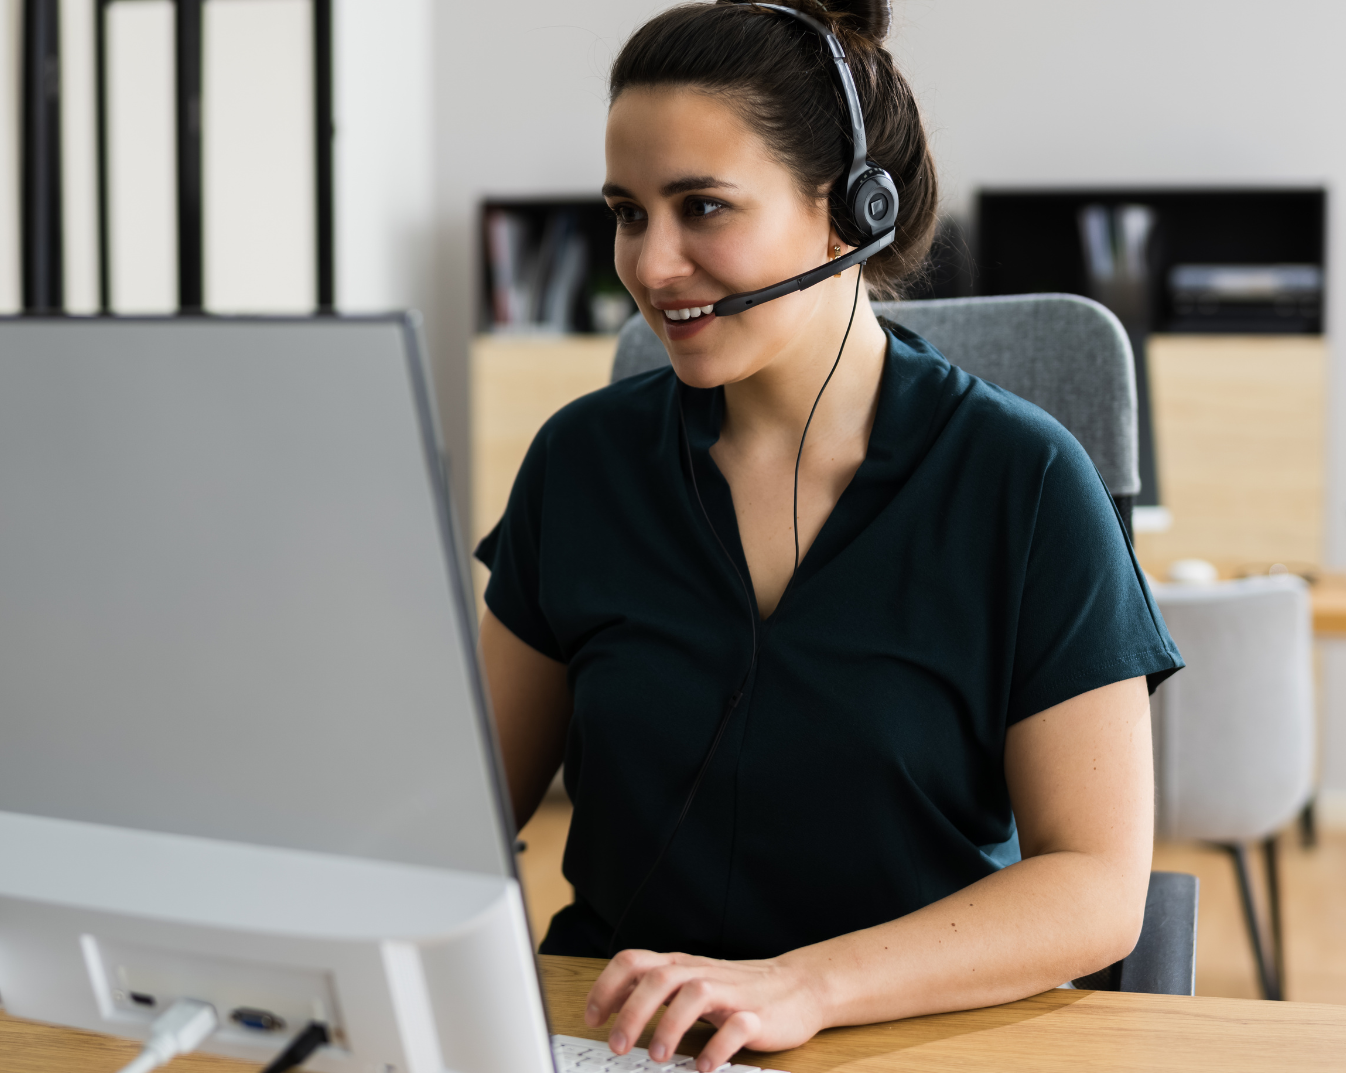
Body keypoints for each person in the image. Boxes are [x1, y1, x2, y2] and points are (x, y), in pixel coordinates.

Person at [475, 1, 1183, 1068]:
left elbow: (1094, 888)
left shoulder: (1023, 482)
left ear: (854, 210)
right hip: (620, 1038)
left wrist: (807, 983)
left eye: (703, 207)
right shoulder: (581, 464)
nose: (651, 264)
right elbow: (460, 808)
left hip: (912, 1037)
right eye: (628, 212)